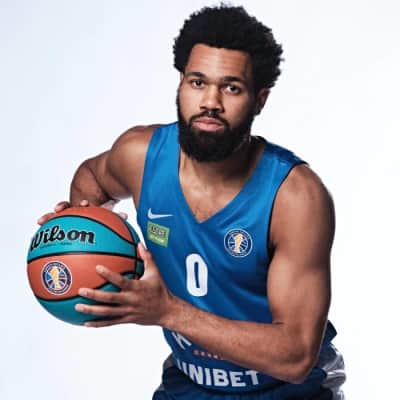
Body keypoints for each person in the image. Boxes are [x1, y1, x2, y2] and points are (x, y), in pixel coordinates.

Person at [39, 4, 346, 399]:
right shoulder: (139, 155)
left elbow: (296, 356)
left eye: (231, 88)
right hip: (190, 383)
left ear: (260, 100)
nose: (210, 102)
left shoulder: (295, 196)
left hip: (287, 391)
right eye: (198, 82)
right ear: (181, 83)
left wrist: (167, 311)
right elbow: (93, 177)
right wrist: (87, 231)